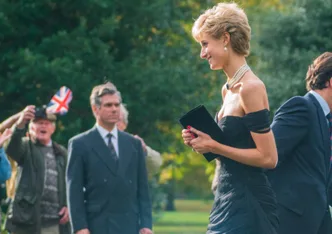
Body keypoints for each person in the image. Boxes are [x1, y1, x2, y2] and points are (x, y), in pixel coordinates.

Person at [181, 3, 278, 233]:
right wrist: (203, 142)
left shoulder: (251, 88)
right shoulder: (227, 90)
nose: (202, 53)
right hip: (224, 198)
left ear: (225, 38)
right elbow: (232, 146)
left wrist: (215, 145)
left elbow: (269, 158)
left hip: (249, 205)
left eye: (205, 44)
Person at [66, 82, 153, 234]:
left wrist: (146, 224)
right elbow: (74, 191)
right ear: (95, 109)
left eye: (117, 105)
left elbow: (143, 189)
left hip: (129, 225)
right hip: (96, 224)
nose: (114, 109)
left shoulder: (133, 144)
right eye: (108, 105)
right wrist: (80, 227)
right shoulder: (80, 144)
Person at [267, 52, 332, 234]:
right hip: (291, 220)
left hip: (317, 220)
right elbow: (269, 155)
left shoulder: (326, 118)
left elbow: (323, 176)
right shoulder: (301, 107)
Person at [5, 106, 70, 234]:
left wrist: (68, 205)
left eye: (47, 123)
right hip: (26, 221)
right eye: (39, 123)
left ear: (53, 128)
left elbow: (71, 182)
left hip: (54, 222)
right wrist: (20, 124)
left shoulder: (61, 152)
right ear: (31, 127)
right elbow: (11, 147)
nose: (43, 126)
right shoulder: (25, 146)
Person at [117, 103, 162, 177]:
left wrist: (144, 150)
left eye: (117, 119)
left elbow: (156, 165)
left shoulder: (131, 144)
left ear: (124, 125)